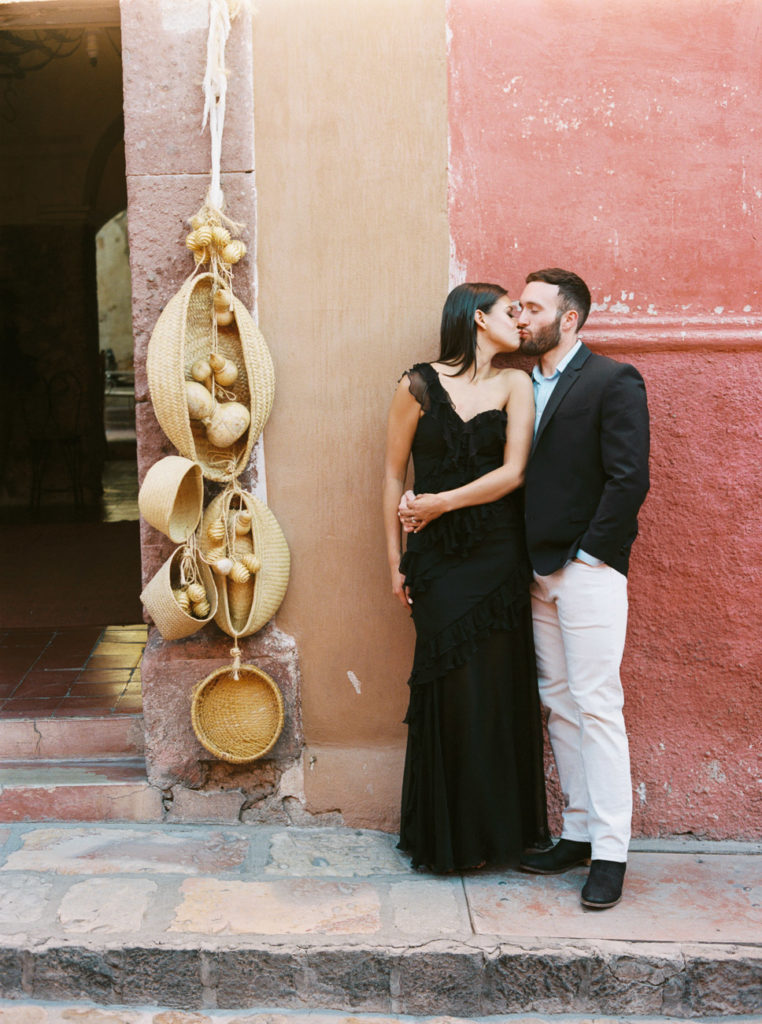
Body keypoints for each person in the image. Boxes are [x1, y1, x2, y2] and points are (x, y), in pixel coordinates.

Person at [383, 282, 550, 873]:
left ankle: (497, 835)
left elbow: (514, 473)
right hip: (434, 561)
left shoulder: (516, 384)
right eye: (511, 311)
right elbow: (391, 474)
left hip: (498, 554)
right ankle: (448, 836)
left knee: (496, 688)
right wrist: (394, 561)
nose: (520, 321)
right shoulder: (417, 385)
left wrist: (440, 503)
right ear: (479, 319)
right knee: (451, 689)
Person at [514, 268, 650, 909]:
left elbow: (629, 478)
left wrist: (590, 556)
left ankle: (611, 853)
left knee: (597, 705)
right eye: (518, 307)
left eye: (532, 308)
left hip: (587, 570)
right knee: (560, 703)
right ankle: (577, 831)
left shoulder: (612, 380)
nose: (520, 317)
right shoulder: (520, 384)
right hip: (535, 571)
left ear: (569, 319)